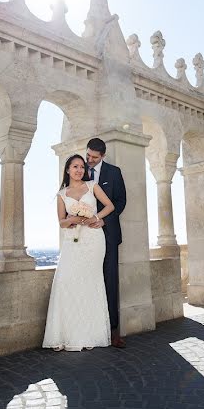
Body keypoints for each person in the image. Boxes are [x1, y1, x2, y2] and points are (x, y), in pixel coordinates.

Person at [42, 154, 115, 351]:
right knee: (65, 281)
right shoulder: (61, 195)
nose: (79, 170)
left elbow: (110, 205)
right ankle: (65, 334)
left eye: (82, 167)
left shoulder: (92, 186)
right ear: (67, 170)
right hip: (72, 241)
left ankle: (89, 335)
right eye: (75, 166)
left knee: (91, 283)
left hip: (93, 239)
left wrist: (97, 218)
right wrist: (73, 218)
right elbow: (61, 222)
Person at [85, 138, 127, 348]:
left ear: (103, 155)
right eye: (88, 156)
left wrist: (103, 220)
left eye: (94, 157)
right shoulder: (78, 170)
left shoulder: (114, 172)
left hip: (109, 234)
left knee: (110, 281)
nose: (90, 160)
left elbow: (120, 202)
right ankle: (88, 329)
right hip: (84, 237)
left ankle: (113, 332)